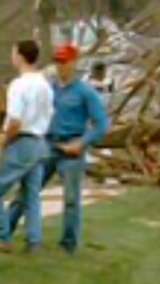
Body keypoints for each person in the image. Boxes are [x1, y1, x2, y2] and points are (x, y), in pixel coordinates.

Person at [10, 44, 112, 254]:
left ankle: (68, 244)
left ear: (73, 63)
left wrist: (82, 142)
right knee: (27, 189)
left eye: (64, 61)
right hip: (48, 145)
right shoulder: (50, 89)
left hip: (72, 147)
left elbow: (101, 124)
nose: (60, 66)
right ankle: (5, 229)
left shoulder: (85, 92)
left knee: (71, 199)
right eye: (57, 61)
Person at [0, 40, 54, 254]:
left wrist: (4, 141)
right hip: (40, 142)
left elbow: (15, 121)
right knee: (31, 195)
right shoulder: (45, 85)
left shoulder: (19, 85)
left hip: (21, 142)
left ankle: (2, 236)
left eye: (13, 53)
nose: (11, 56)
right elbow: (48, 114)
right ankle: (34, 240)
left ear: (20, 56)